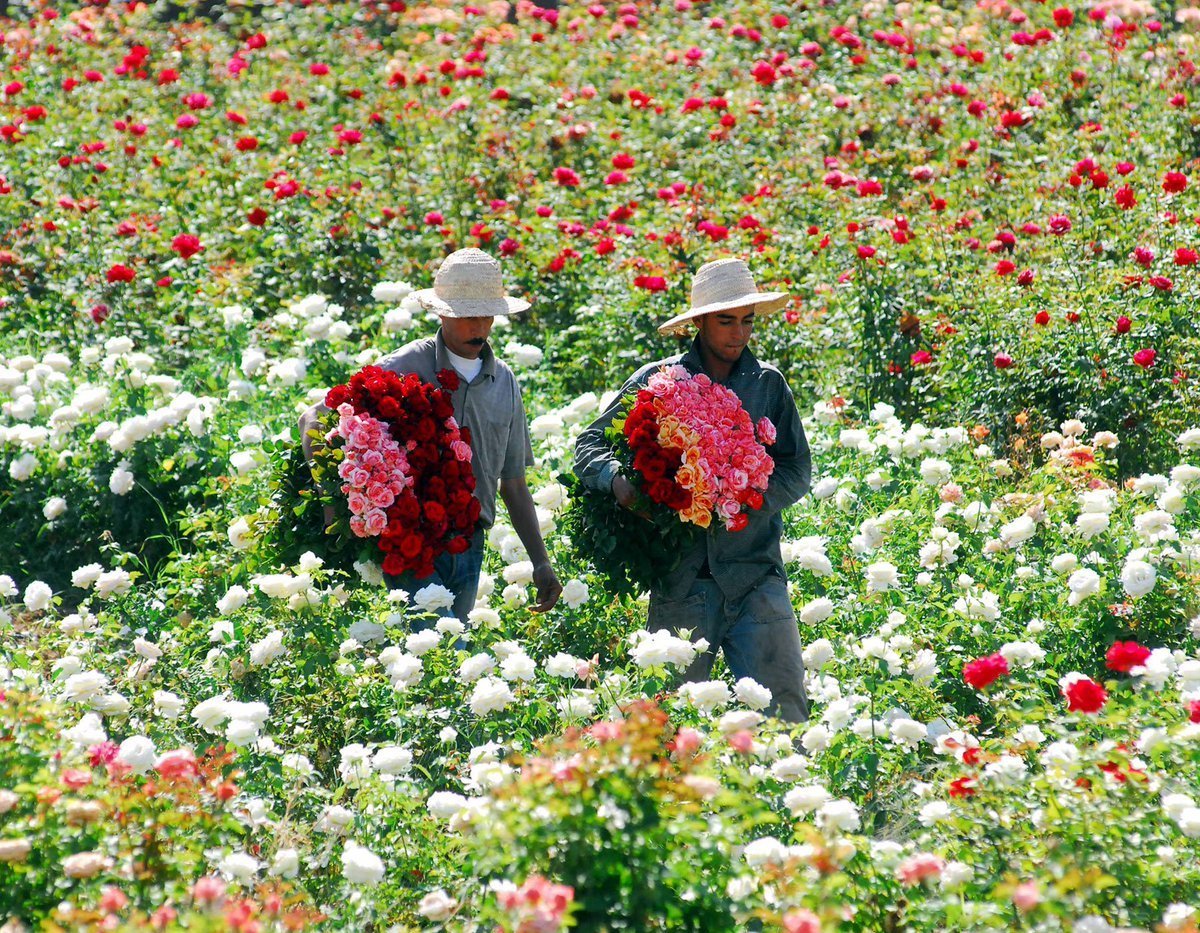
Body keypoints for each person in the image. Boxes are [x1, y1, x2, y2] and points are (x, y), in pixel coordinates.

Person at [574, 258, 811, 722]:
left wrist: (744, 501)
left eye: (747, 321)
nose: (738, 333)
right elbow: (588, 444)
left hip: (756, 573)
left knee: (785, 714)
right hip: (682, 581)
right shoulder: (659, 381)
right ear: (698, 323)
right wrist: (619, 483)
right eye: (726, 321)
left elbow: (796, 469)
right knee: (670, 723)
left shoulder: (768, 386)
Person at [300, 248, 562, 622]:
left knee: (449, 659)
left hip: (470, 542)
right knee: (436, 652)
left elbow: (514, 483)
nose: (479, 327)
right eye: (467, 316)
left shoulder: (503, 382)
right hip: (411, 542)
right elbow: (312, 419)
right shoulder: (405, 367)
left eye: (487, 315)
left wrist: (541, 562)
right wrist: (332, 506)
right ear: (442, 313)